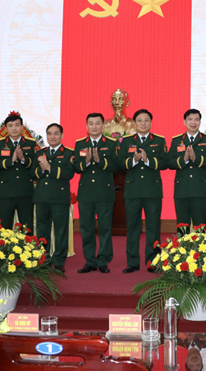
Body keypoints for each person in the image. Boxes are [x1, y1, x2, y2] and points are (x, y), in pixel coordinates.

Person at [119, 109, 167, 274]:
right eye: (140, 120)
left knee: (153, 227)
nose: (143, 123)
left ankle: (153, 261)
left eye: (146, 120)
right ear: (134, 123)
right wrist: (133, 160)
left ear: (151, 123)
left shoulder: (159, 141)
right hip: (132, 191)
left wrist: (148, 160)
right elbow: (119, 163)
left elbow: (165, 162)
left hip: (152, 191)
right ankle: (132, 262)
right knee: (133, 227)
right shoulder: (126, 141)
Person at [72, 112, 120, 274]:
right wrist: (86, 161)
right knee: (86, 228)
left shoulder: (111, 144)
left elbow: (116, 167)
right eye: (91, 123)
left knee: (105, 228)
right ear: (86, 126)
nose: (94, 126)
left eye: (97, 123)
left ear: (103, 125)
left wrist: (100, 161)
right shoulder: (80, 144)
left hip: (104, 193)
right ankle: (90, 261)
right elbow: (76, 167)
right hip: (86, 193)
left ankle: (103, 261)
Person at [32, 123, 74, 272]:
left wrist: (50, 168)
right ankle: (43, 259)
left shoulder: (68, 153)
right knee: (42, 231)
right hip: (42, 197)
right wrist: (42, 170)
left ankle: (59, 261)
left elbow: (69, 173)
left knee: (61, 231)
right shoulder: (40, 153)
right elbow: (32, 173)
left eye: (56, 133)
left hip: (59, 198)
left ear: (62, 135)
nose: (52, 136)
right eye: (49, 133)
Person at [168, 109, 206, 231]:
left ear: (200, 122)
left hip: (200, 189)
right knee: (182, 227)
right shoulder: (176, 140)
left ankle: (200, 245)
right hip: (182, 189)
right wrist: (183, 159)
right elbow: (169, 162)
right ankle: (181, 245)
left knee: (200, 227)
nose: (193, 122)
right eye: (190, 119)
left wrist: (196, 159)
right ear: (184, 122)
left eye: (196, 119)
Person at [0, 113, 38, 231]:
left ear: (22, 127)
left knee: (27, 227)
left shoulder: (31, 144)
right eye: (10, 126)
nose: (14, 128)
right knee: (5, 227)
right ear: (5, 128)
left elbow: (36, 166)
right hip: (6, 192)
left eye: (17, 125)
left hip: (25, 191)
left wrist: (23, 159)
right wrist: (10, 161)